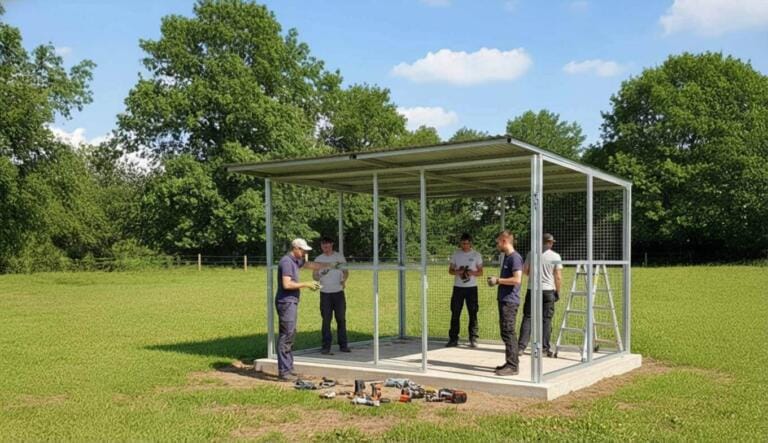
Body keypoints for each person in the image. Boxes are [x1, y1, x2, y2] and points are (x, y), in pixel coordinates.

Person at [275, 238, 334, 381]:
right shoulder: (287, 262)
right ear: (295, 248)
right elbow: (287, 284)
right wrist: (307, 284)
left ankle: (289, 368)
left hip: (291, 302)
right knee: (286, 335)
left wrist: (330, 265)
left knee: (290, 334)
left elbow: (310, 264)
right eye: (303, 251)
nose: (305, 254)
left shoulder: (295, 261)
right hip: (286, 302)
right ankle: (284, 371)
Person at [517, 233, 563, 358]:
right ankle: (544, 348)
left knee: (528, 317)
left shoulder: (531, 253)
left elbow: (525, 271)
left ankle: (521, 347)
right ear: (549, 242)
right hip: (548, 290)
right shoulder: (556, 256)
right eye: (551, 242)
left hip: (533, 289)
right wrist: (558, 291)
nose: (552, 244)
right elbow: (558, 276)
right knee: (546, 319)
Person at [486, 230, 524, 376]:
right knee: (505, 332)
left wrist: (498, 280)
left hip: (510, 301)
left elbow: (517, 279)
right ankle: (510, 362)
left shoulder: (515, 258)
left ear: (504, 241)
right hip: (504, 300)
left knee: (509, 331)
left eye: (498, 242)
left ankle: (513, 366)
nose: (497, 245)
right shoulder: (507, 257)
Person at [313, 236, 350, 355]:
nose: (325, 247)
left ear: (332, 244)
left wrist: (343, 281)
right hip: (325, 293)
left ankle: (343, 345)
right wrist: (318, 277)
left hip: (338, 293)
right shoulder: (318, 259)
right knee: (326, 320)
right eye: (323, 245)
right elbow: (314, 276)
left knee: (341, 319)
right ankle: (326, 347)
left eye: (327, 244)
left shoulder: (339, 257)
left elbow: (346, 271)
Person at [446, 233, 484, 348]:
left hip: (471, 288)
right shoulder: (456, 254)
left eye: (467, 243)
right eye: (463, 243)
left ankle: (473, 338)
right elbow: (450, 271)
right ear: (460, 243)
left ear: (470, 243)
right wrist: (459, 272)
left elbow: (481, 272)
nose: (465, 246)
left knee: (473, 313)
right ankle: (453, 339)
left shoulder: (476, 255)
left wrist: (471, 273)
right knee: (455, 312)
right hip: (458, 288)